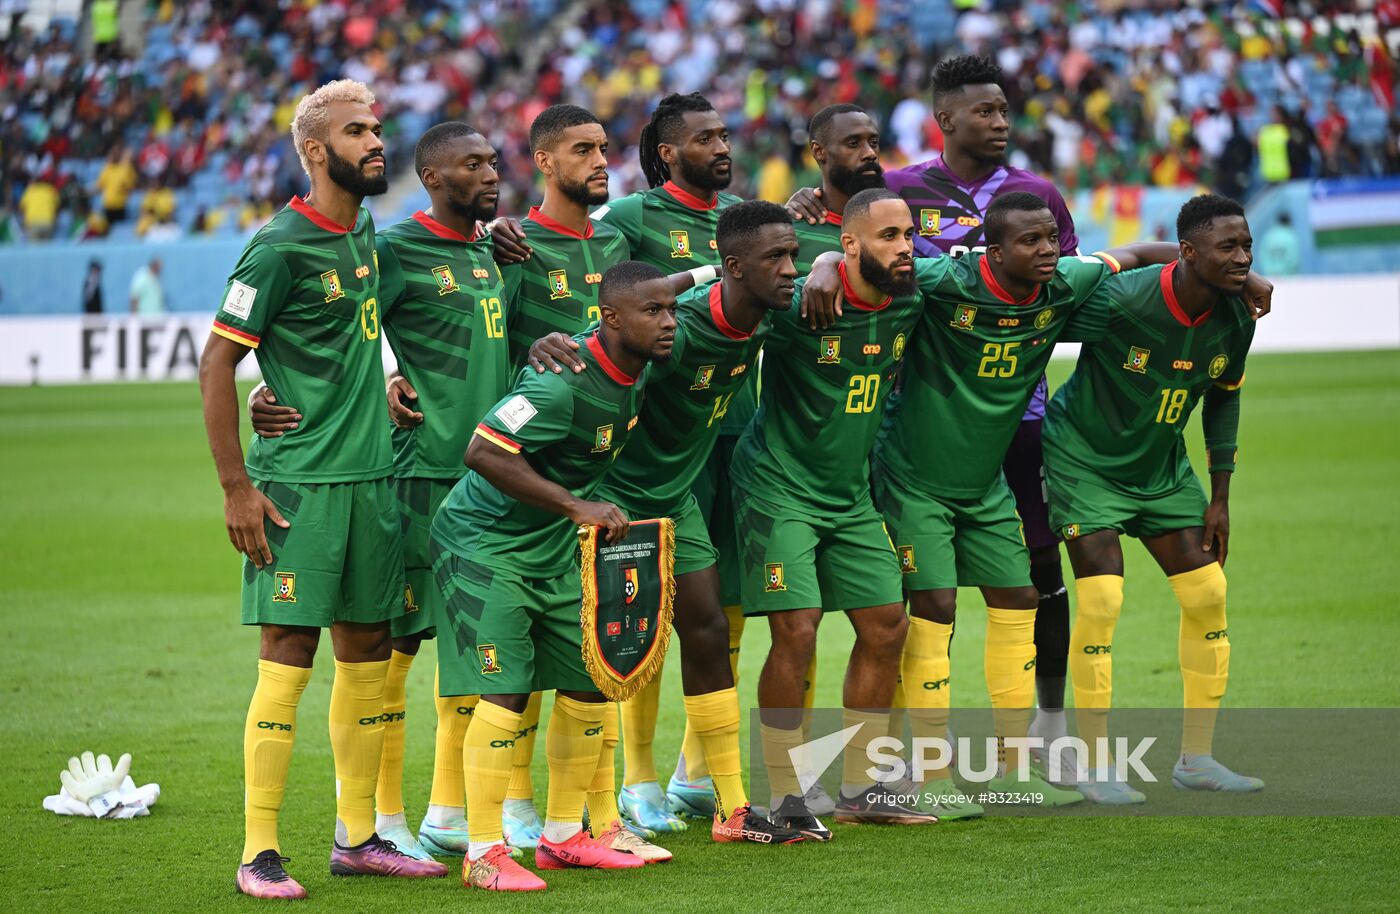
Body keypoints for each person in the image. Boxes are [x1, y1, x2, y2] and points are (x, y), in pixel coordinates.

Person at [788, 56, 1085, 772]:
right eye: (985, 111)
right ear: (945, 119)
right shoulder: (899, 188)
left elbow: (1068, 292)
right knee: (920, 586)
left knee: (1040, 567)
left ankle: (1048, 720)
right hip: (918, 408)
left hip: (1020, 410)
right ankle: (915, 737)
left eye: (1005, 109)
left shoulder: (1038, 193)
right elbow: (846, 227)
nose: (1001, 121)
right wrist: (814, 228)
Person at [198, 79, 447, 901]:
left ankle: (359, 837)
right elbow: (217, 363)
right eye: (357, 131)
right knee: (288, 656)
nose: (376, 142)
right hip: (298, 487)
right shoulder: (277, 248)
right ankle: (258, 852)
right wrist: (236, 487)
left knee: (368, 655)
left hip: (375, 480)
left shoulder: (366, 230)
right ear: (315, 150)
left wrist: (387, 383)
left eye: (377, 128)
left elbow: (354, 337)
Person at [248, 122, 515, 862]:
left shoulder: (495, 249)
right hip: (412, 473)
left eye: (493, 161)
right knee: (392, 648)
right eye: (472, 163)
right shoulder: (390, 246)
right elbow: (337, 328)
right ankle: (381, 819)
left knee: (475, 647)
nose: (490, 173)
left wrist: (394, 373)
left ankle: (450, 812)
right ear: (433, 177)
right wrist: (271, 393)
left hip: (490, 477)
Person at [497, 92, 746, 830]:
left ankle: (684, 784)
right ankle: (541, 798)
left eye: (603, 148)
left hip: (706, 437)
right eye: (584, 149)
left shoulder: (665, 231)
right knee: (574, 627)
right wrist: (399, 378)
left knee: (703, 612)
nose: (600, 160)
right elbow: (477, 325)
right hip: (591, 454)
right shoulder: (617, 222)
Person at [528, 200, 811, 845]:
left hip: (676, 496)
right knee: (607, 653)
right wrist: (552, 343)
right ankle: (598, 815)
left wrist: (823, 266)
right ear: (737, 268)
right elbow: (607, 337)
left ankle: (732, 808)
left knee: (708, 629)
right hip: (617, 499)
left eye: (794, 257)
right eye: (776, 258)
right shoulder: (676, 334)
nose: (790, 270)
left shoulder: (766, 310)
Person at [430, 261, 676, 891]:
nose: (669, 322)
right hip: (485, 544)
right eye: (653, 312)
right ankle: (483, 851)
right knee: (506, 691)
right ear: (610, 317)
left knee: (590, 679)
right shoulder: (558, 385)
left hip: (549, 548)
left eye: (671, 310)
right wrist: (575, 506)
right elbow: (482, 451)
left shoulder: (638, 366)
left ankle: (565, 836)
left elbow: (703, 287)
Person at [1045, 194, 1264, 802]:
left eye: (1247, 246)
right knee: (1103, 600)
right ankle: (1094, 765)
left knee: (1208, 593)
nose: (1243, 258)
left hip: (1162, 469)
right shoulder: (1121, 299)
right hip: (1083, 461)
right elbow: (1042, 325)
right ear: (1188, 251)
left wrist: (1220, 496)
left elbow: (1224, 397)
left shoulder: (1237, 317)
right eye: (1228, 247)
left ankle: (1197, 759)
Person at [739, 188, 934, 837]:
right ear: (848, 244)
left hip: (850, 495)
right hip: (779, 486)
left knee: (886, 625)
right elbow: (724, 299)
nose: (905, 248)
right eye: (888, 236)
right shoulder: (800, 303)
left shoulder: (913, 295)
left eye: (909, 234)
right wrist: (820, 267)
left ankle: (862, 787)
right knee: (798, 630)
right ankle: (786, 795)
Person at [1255, 212, 1302, 276]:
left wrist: (1269, 271)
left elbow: (1262, 255)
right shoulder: (1290, 236)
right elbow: (1293, 259)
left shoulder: (1269, 235)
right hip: (1287, 277)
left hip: (1269, 275)